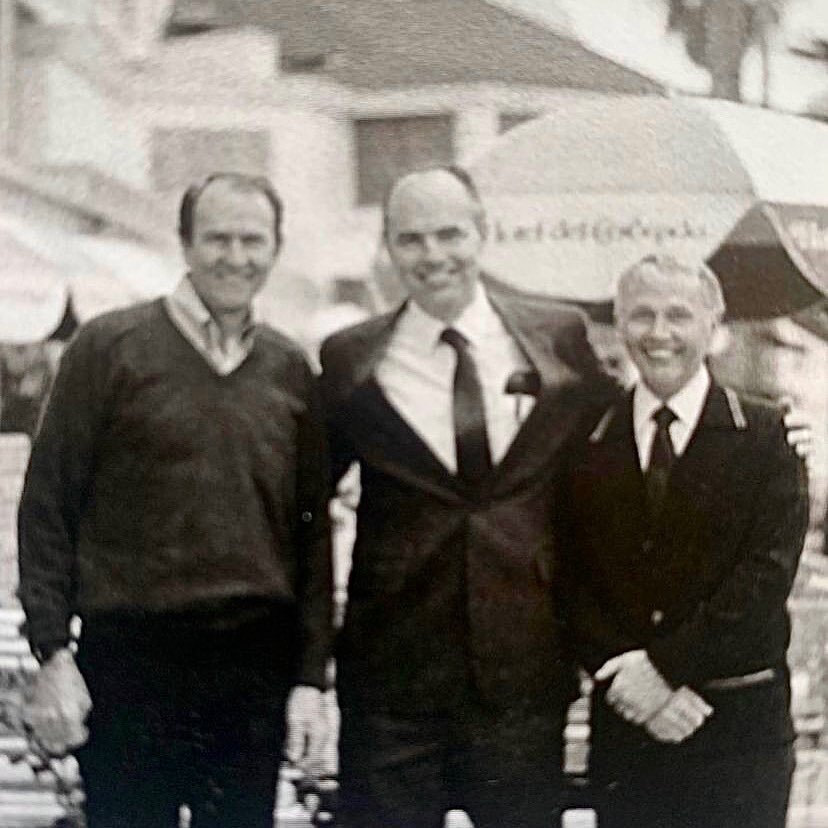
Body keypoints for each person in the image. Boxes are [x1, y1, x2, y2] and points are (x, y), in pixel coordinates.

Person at [17, 172, 333, 828]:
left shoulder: (290, 368)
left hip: (252, 666)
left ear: (276, 249)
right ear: (185, 244)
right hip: (131, 660)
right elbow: (47, 507)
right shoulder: (107, 348)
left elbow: (311, 537)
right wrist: (52, 653)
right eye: (218, 239)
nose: (236, 257)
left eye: (253, 240)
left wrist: (309, 679)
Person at [319, 165, 617, 828]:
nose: (432, 256)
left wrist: (764, 429)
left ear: (484, 233)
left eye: (450, 234)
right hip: (392, 679)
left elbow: (626, 442)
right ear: (388, 247)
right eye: (411, 239)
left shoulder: (558, 338)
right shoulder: (349, 358)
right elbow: (304, 507)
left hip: (523, 675)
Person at [557, 255, 809, 828]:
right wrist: (626, 679)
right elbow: (569, 575)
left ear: (713, 325)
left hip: (736, 728)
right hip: (628, 725)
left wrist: (663, 671)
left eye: (679, 315)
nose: (659, 333)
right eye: (641, 315)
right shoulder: (588, 438)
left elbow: (765, 576)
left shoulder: (768, 435)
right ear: (620, 324)